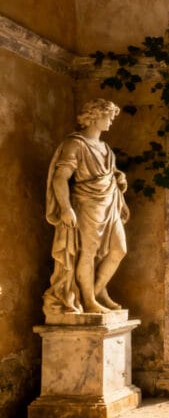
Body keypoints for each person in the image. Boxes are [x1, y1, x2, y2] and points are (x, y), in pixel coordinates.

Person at [43, 99, 130, 316]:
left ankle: (96, 291)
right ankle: (89, 301)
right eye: (108, 116)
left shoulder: (106, 148)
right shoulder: (76, 144)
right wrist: (65, 208)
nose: (111, 121)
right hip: (87, 204)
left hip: (109, 203)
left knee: (119, 250)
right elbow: (60, 178)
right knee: (88, 253)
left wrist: (118, 177)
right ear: (94, 116)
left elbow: (106, 173)